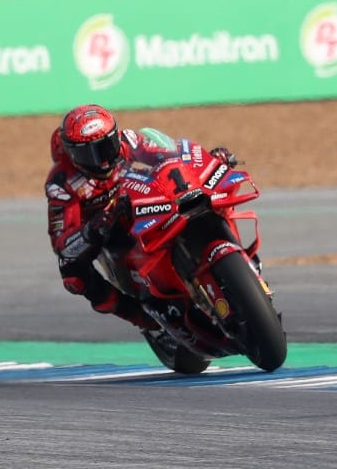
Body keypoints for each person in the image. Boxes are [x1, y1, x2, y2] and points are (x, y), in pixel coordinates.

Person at [45, 104, 239, 330]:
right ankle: (141, 317)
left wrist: (208, 160)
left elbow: (169, 154)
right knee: (72, 274)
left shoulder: (129, 140)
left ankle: (238, 256)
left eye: (107, 146)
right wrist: (94, 228)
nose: (102, 160)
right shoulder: (61, 183)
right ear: (71, 153)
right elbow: (63, 244)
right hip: (107, 230)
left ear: (115, 135)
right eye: (87, 153)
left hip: (146, 203)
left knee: (207, 194)